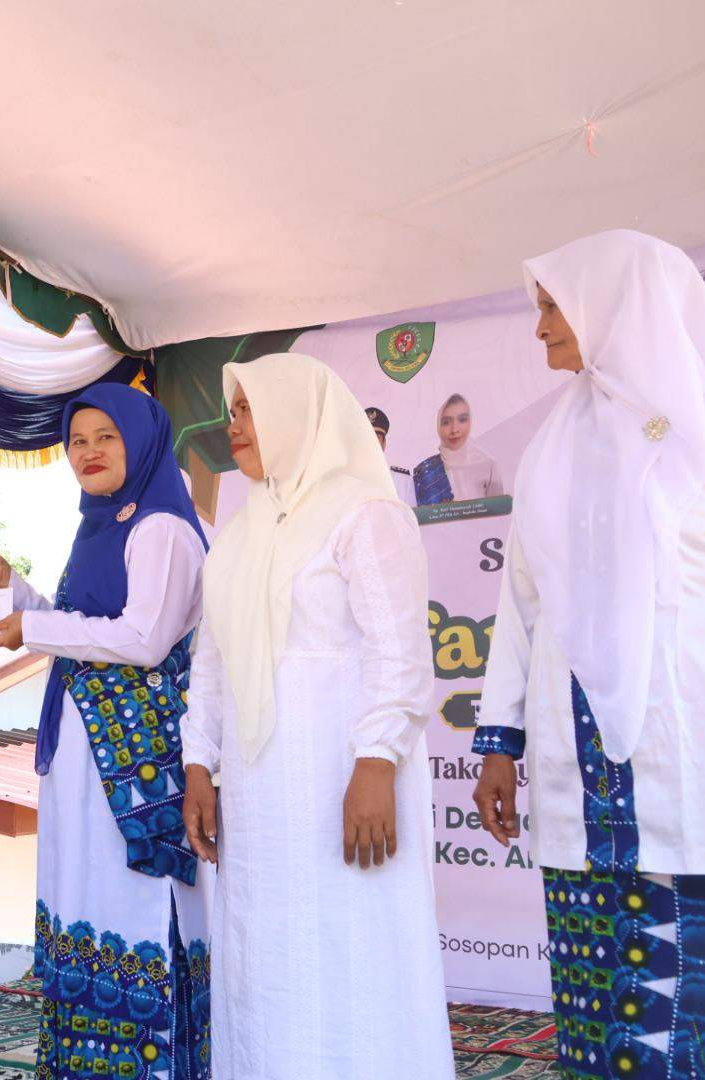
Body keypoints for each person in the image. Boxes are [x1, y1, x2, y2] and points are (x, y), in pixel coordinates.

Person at [471, 229, 705, 1078]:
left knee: (682, 1008)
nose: (540, 327)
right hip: (576, 765)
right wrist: (500, 745)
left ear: (616, 305)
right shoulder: (553, 444)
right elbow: (522, 604)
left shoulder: (697, 431)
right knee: (594, 1010)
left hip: (682, 758)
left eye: (553, 307)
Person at [180, 353, 454, 1079]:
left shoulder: (366, 514)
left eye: (249, 409)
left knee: (353, 945)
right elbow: (211, 663)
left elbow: (400, 652)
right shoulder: (239, 532)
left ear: (297, 414)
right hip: (259, 798)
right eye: (232, 411)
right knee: (265, 957)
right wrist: (198, 764)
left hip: (344, 777)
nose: (234, 425)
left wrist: (377, 763)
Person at [0, 384, 212, 1076]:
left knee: (134, 908)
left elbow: (143, 637)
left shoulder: (162, 527)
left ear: (141, 442)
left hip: (137, 765)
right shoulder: (104, 526)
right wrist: (14, 591)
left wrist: (31, 627)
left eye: (107, 436)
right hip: (89, 759)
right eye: (77, 440)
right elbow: (79, 626)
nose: (88, 452)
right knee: (84, 898)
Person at [412, 393, 506, 504]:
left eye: (462, 420)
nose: (454, 430)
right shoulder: (425, 471)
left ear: (470, 422)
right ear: (438, 427)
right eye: (446, 422)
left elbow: (499, 512)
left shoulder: (488, 465)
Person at [365, 405, 417, 504]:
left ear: (384, 444)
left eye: (376, 438)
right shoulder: (348, 482)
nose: (370, 443)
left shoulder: (403, 482)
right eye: (366, 437)